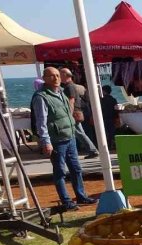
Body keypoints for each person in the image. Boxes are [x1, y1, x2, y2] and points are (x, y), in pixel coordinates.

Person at [31, 67, 96, 209]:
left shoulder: (61, 92)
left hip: (69, 136)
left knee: (76, 169)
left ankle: (81, 196)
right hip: (56, 140)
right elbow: (41, 121)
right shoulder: (41, 97)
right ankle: (66, 201)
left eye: (57, 75)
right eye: (51, 76)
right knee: (60, 171)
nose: (56, 78)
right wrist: (46, 141)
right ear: (44, 78)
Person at [59, 68, 99, 159]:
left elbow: (71, 101)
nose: (59, 77)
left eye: (60, 74)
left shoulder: (69, 87)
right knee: (78, 133)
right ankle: (90, 150)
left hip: (74, 113)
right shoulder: (70, 86)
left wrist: (69, 114)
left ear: (65, 75)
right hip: (76, 112)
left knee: (79, 133)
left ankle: (92, 150)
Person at [100, 85, 118, 150]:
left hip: (104, 118)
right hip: (112, 118)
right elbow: (116, 109)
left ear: (104, 91)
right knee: (112, 132)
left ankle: (108, 145)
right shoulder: (113, 99)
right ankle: (113, 144)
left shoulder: (102, 100)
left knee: (106, 132)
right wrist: (116, 117)